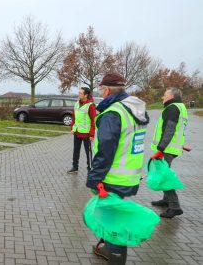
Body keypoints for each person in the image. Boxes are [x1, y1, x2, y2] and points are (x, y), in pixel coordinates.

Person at [87, 72, 149, 264]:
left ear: (106, 90)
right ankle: (106, 249)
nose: (100, 93)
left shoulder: (114, 113)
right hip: (128, 175)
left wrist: (94, 178)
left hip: (112, 177)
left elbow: (105, 150)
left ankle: (115, 256)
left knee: (114, 225)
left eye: (100, 89)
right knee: (112, 218)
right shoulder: (135, 109)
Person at [150, 87, 187, 218]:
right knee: (164, 174)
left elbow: (169, 130)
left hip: (167, 149)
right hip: (172, 148)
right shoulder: (180, 107)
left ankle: (175, 206)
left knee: (164, 176)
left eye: (165, 95)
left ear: (171, 96)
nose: (162, 97)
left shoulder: (172, 108)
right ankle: (166, 200)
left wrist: (160, 149)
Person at [67, 87, 96, 174]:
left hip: (87, 133)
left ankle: (90, 168)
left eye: (80, 93)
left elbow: (93, 120)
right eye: (78, 93)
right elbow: (74, 117)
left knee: (88, 152)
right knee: (76, 150)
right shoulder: (76, 104)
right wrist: (72, 128)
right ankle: (75, 167)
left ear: (86, 95)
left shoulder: (90, 105)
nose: (78, 94)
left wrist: (92, 134)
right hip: (77, 132)